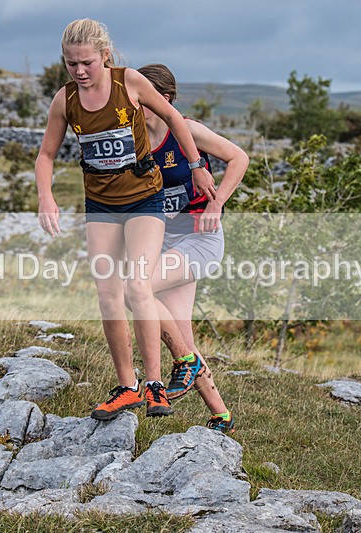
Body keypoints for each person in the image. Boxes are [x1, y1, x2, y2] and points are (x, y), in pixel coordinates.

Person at [35, 20, 216, 422]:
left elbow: (172, 117)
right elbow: (46, 154)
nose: (80, 72)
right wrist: (46, 196)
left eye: (86, 63)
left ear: (105, 56)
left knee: (137, 285)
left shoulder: (129, 83)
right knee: (107, 295)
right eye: (71, 64)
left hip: (143, 199)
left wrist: (196, 166)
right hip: (100, 205)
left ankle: (154, 386)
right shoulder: (64, 100)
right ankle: (126, 387)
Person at [137, 63, 249, 433]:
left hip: (199, 236)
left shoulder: (185, 130)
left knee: (136, 289)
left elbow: (239, 157)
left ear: (164, 99)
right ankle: (222, 415)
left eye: (143, 96)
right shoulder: (134, 135)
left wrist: (216, 205)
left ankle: (187, 362)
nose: (135, 102)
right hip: (161, 237)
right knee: (180, 333)